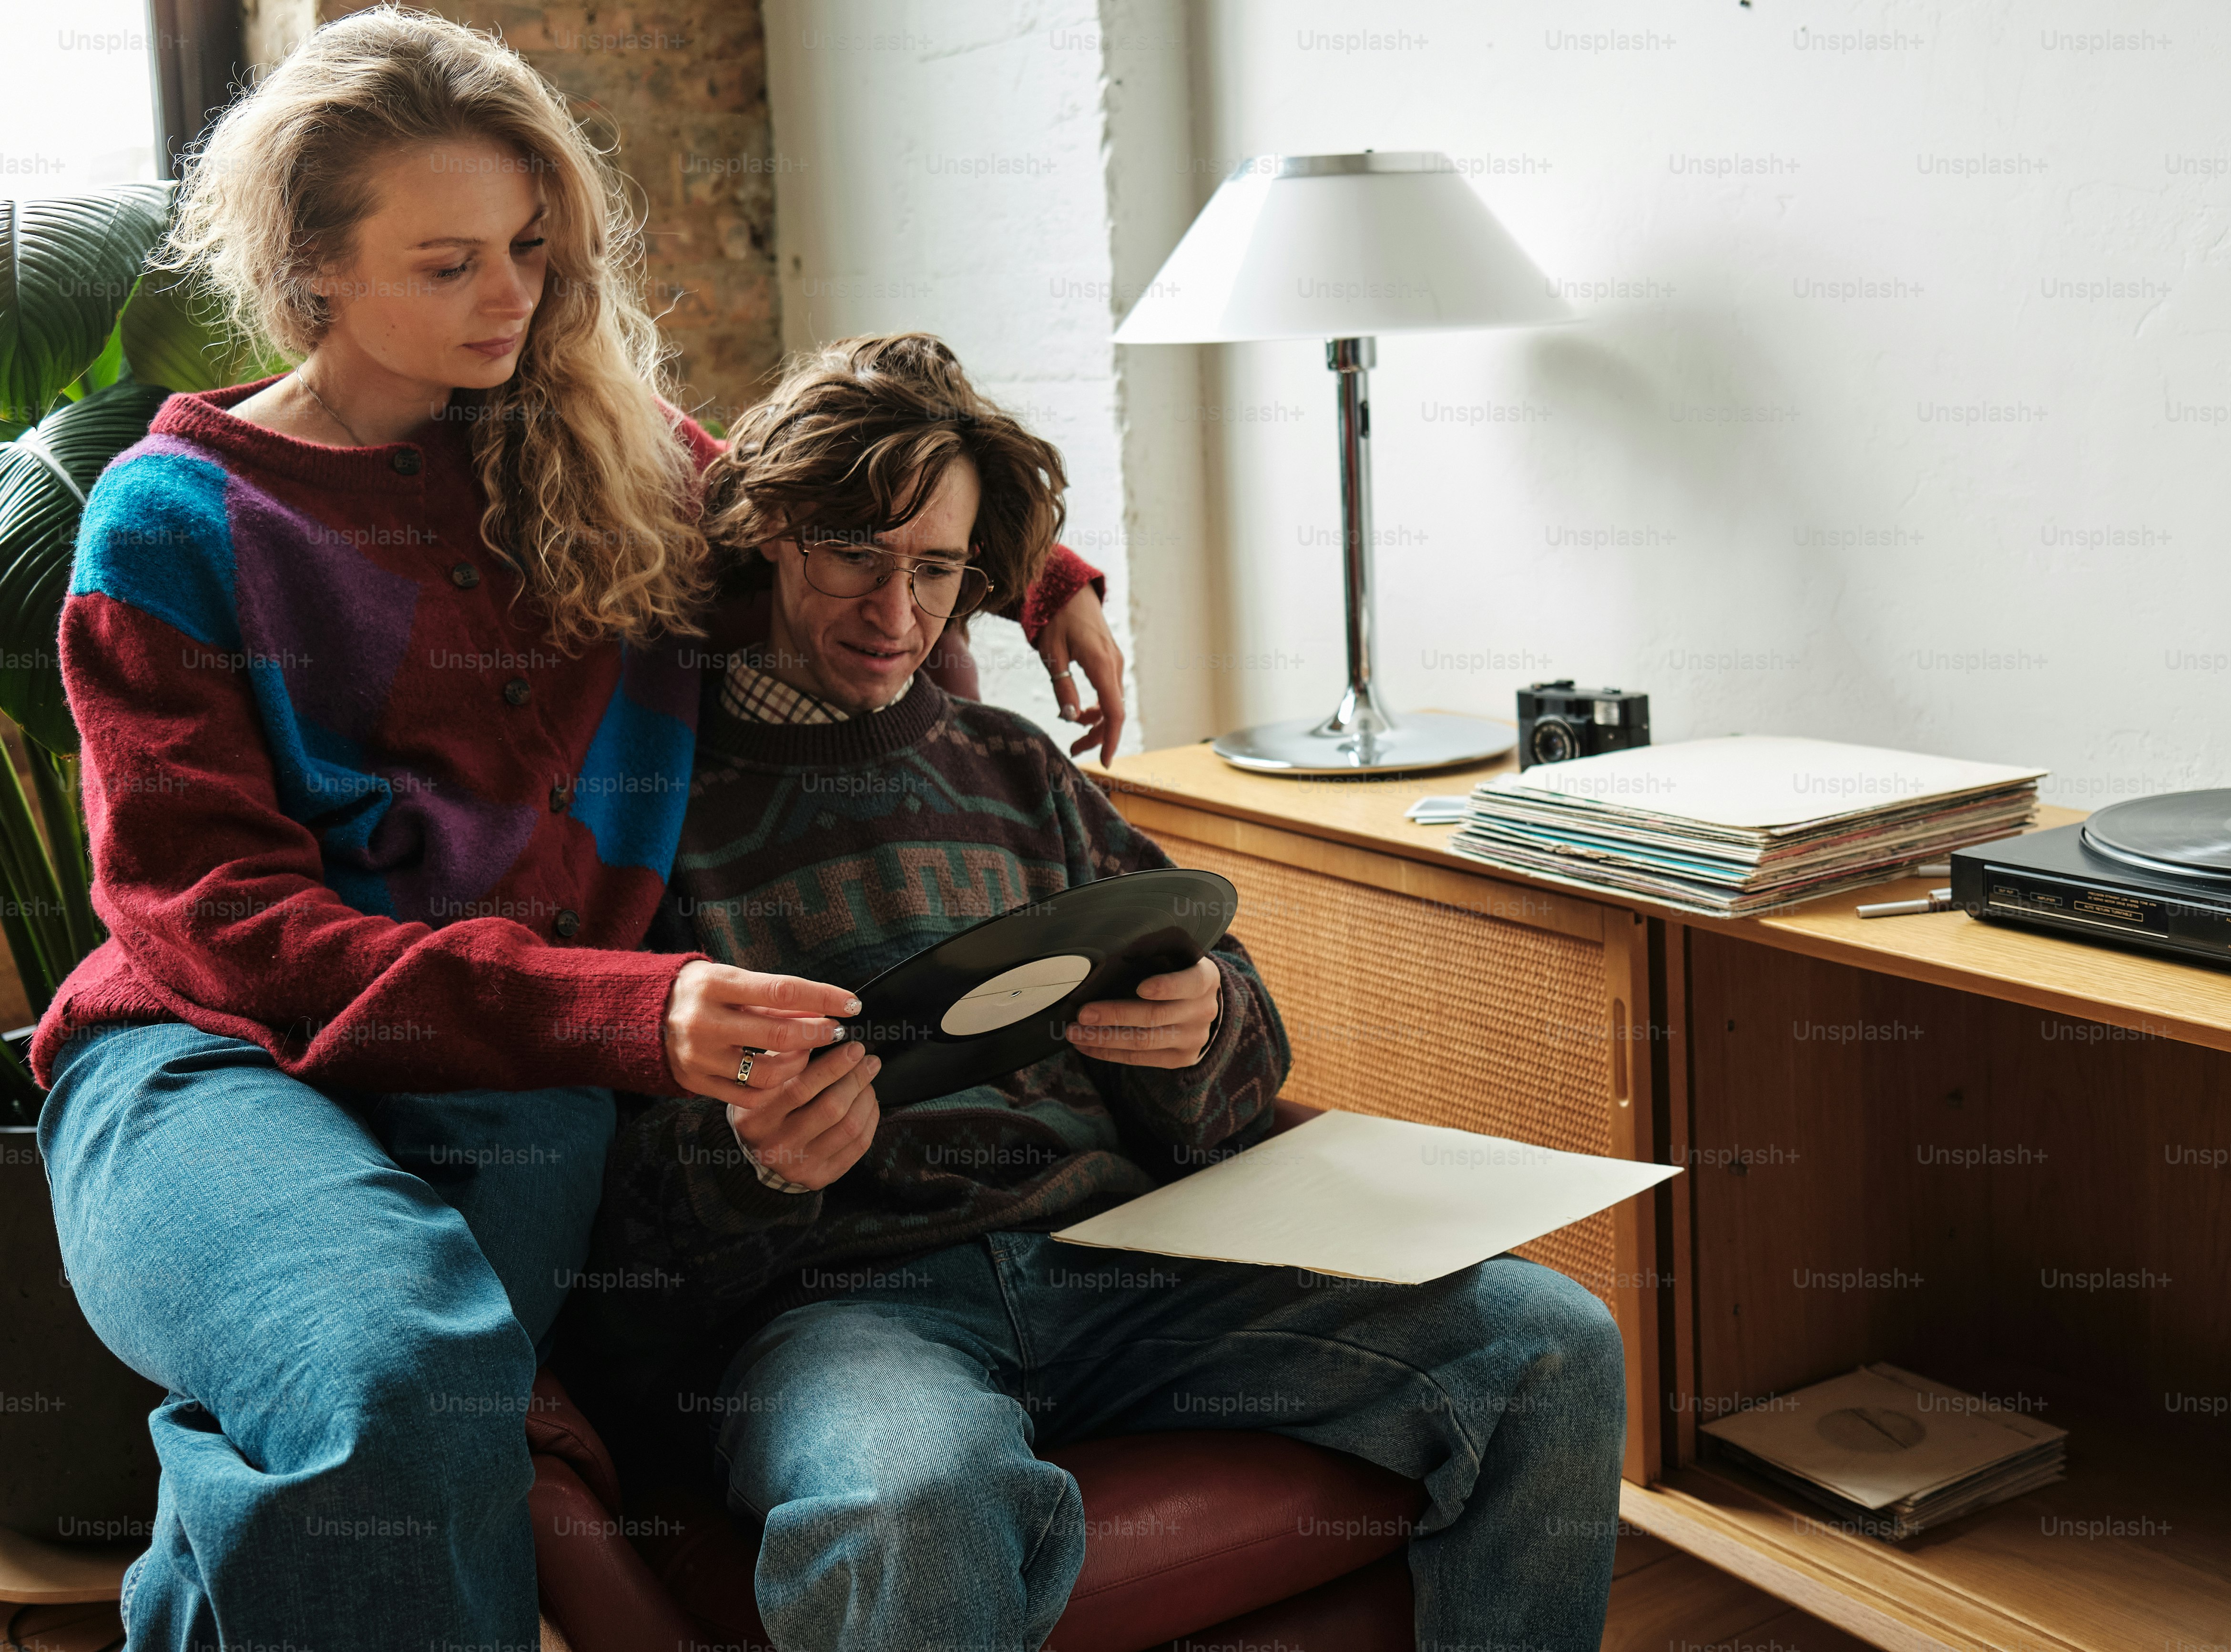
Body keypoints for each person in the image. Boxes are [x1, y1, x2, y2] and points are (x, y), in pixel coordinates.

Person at [28, 10, 1123, 1644]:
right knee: (399, 1364)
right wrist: (623, 1007)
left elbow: (836, 499)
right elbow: (215, 921)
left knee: (355, 1404)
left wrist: (1045, 579)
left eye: (534, 249)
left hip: (515, 1078)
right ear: (309, 264)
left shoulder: (612, 456)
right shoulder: (177, 517)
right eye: (451, 260)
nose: (515, 300)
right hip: (210, 1059)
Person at [568, 332, 1628, 1651]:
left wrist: (1200, 1030)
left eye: (937, 571)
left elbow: (1228, 1040)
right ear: (774, 534)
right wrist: (754, 1167)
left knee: (1548, 1340)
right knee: (919, 1496)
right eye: (856, 554)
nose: (897, 614)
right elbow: (615, 1258)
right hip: (849, 1314)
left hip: (1129, 1270)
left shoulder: (1016, 768)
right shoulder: (652, 807)